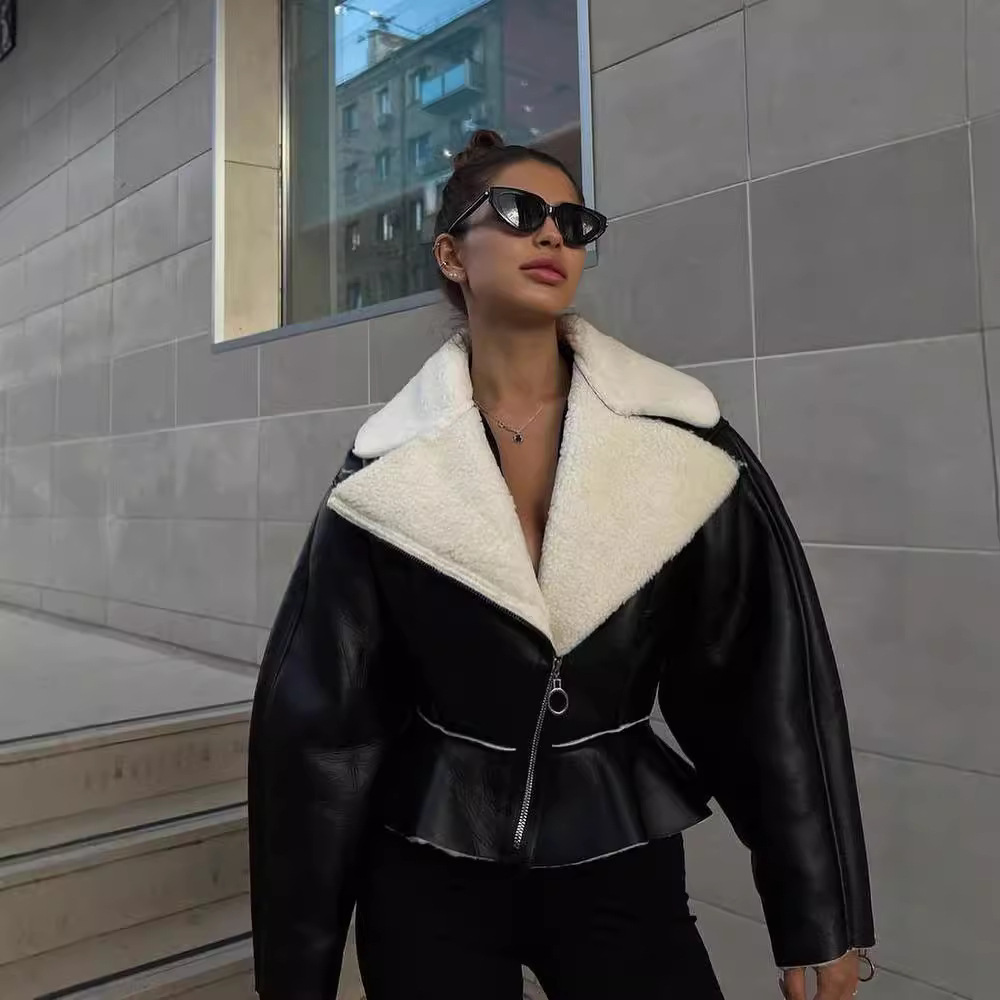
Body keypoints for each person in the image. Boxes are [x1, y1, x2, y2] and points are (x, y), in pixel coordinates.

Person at [248, 130, 876, 1000]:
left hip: (618, 859)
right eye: (519, 212)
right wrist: (296, 972)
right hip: (427, 869)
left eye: (574, 222)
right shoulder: (387, 470)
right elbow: (321, 727)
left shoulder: (678, 443)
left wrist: (817, 911)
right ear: (451, 255)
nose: (552, 234)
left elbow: (762, 688)